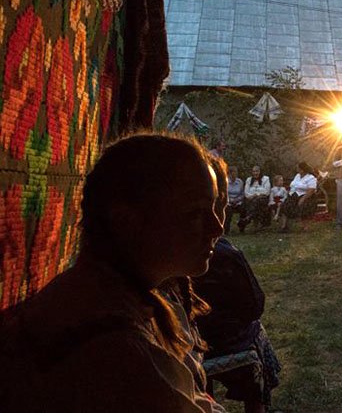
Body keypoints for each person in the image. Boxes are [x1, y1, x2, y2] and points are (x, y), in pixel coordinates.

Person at [0, 133, 224, 412]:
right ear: (126, 221)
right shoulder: (117, 356)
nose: (217, 228)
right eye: (195, 212)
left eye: (214, 209)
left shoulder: (98, 298)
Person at [195, 158, 280, 413]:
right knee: (257, 333)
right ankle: (258, 404)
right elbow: (255, 305)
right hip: (223, 340)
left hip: (189, 339)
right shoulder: (225, 254)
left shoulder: (159, 253)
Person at [280, 162, 318, 232]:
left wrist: (303, 199)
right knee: (285, 205)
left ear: (302, 170)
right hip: (294, 194)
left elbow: (311, 190)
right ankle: (284, 226)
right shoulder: (297, 176)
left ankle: (305, 227)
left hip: (306, 196)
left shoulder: (311, 178)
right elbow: (293, 185)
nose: (296, 169)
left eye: (298, 168)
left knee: (304, 206)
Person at [240, 166, 271, 233]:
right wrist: (254, 195)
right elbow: (246, 192)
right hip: (250, 199)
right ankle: (248, 222)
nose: (255, 173)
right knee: (245, 204)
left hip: (262, 199)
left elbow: (266, 192)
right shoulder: (249, 180)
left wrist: (256, 194)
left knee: (257, 201)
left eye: (257, 171)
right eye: (253, 171)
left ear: (260, 172)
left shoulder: (266, 179)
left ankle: (248, 218)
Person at [225, 165, 245, 235]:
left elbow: (242, 194)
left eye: (235, 173)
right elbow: (224, 194)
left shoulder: (240, 182)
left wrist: (237, 200)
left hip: (238, 201)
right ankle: (226, 230)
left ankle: (242, 228)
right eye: (232, 174)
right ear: (229, 174)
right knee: (228, 211)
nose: (234, 175)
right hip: (228, 202)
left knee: (243, 209)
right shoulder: (226, 182)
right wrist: (230, 200)